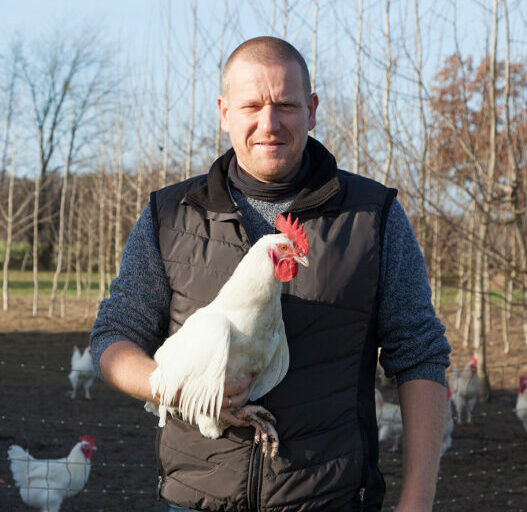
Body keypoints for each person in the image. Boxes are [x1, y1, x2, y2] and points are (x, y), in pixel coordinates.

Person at [90, 36, 450, 512]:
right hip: (198, 500)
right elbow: (114, 337)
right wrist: (176, 387)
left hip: (330, 499)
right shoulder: (171, 214)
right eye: (252, 105)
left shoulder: (372, 215)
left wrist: (418, 498)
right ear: (224, 112)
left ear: (312, 109)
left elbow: (420, 354)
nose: (269, 122)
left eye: (285, 104)